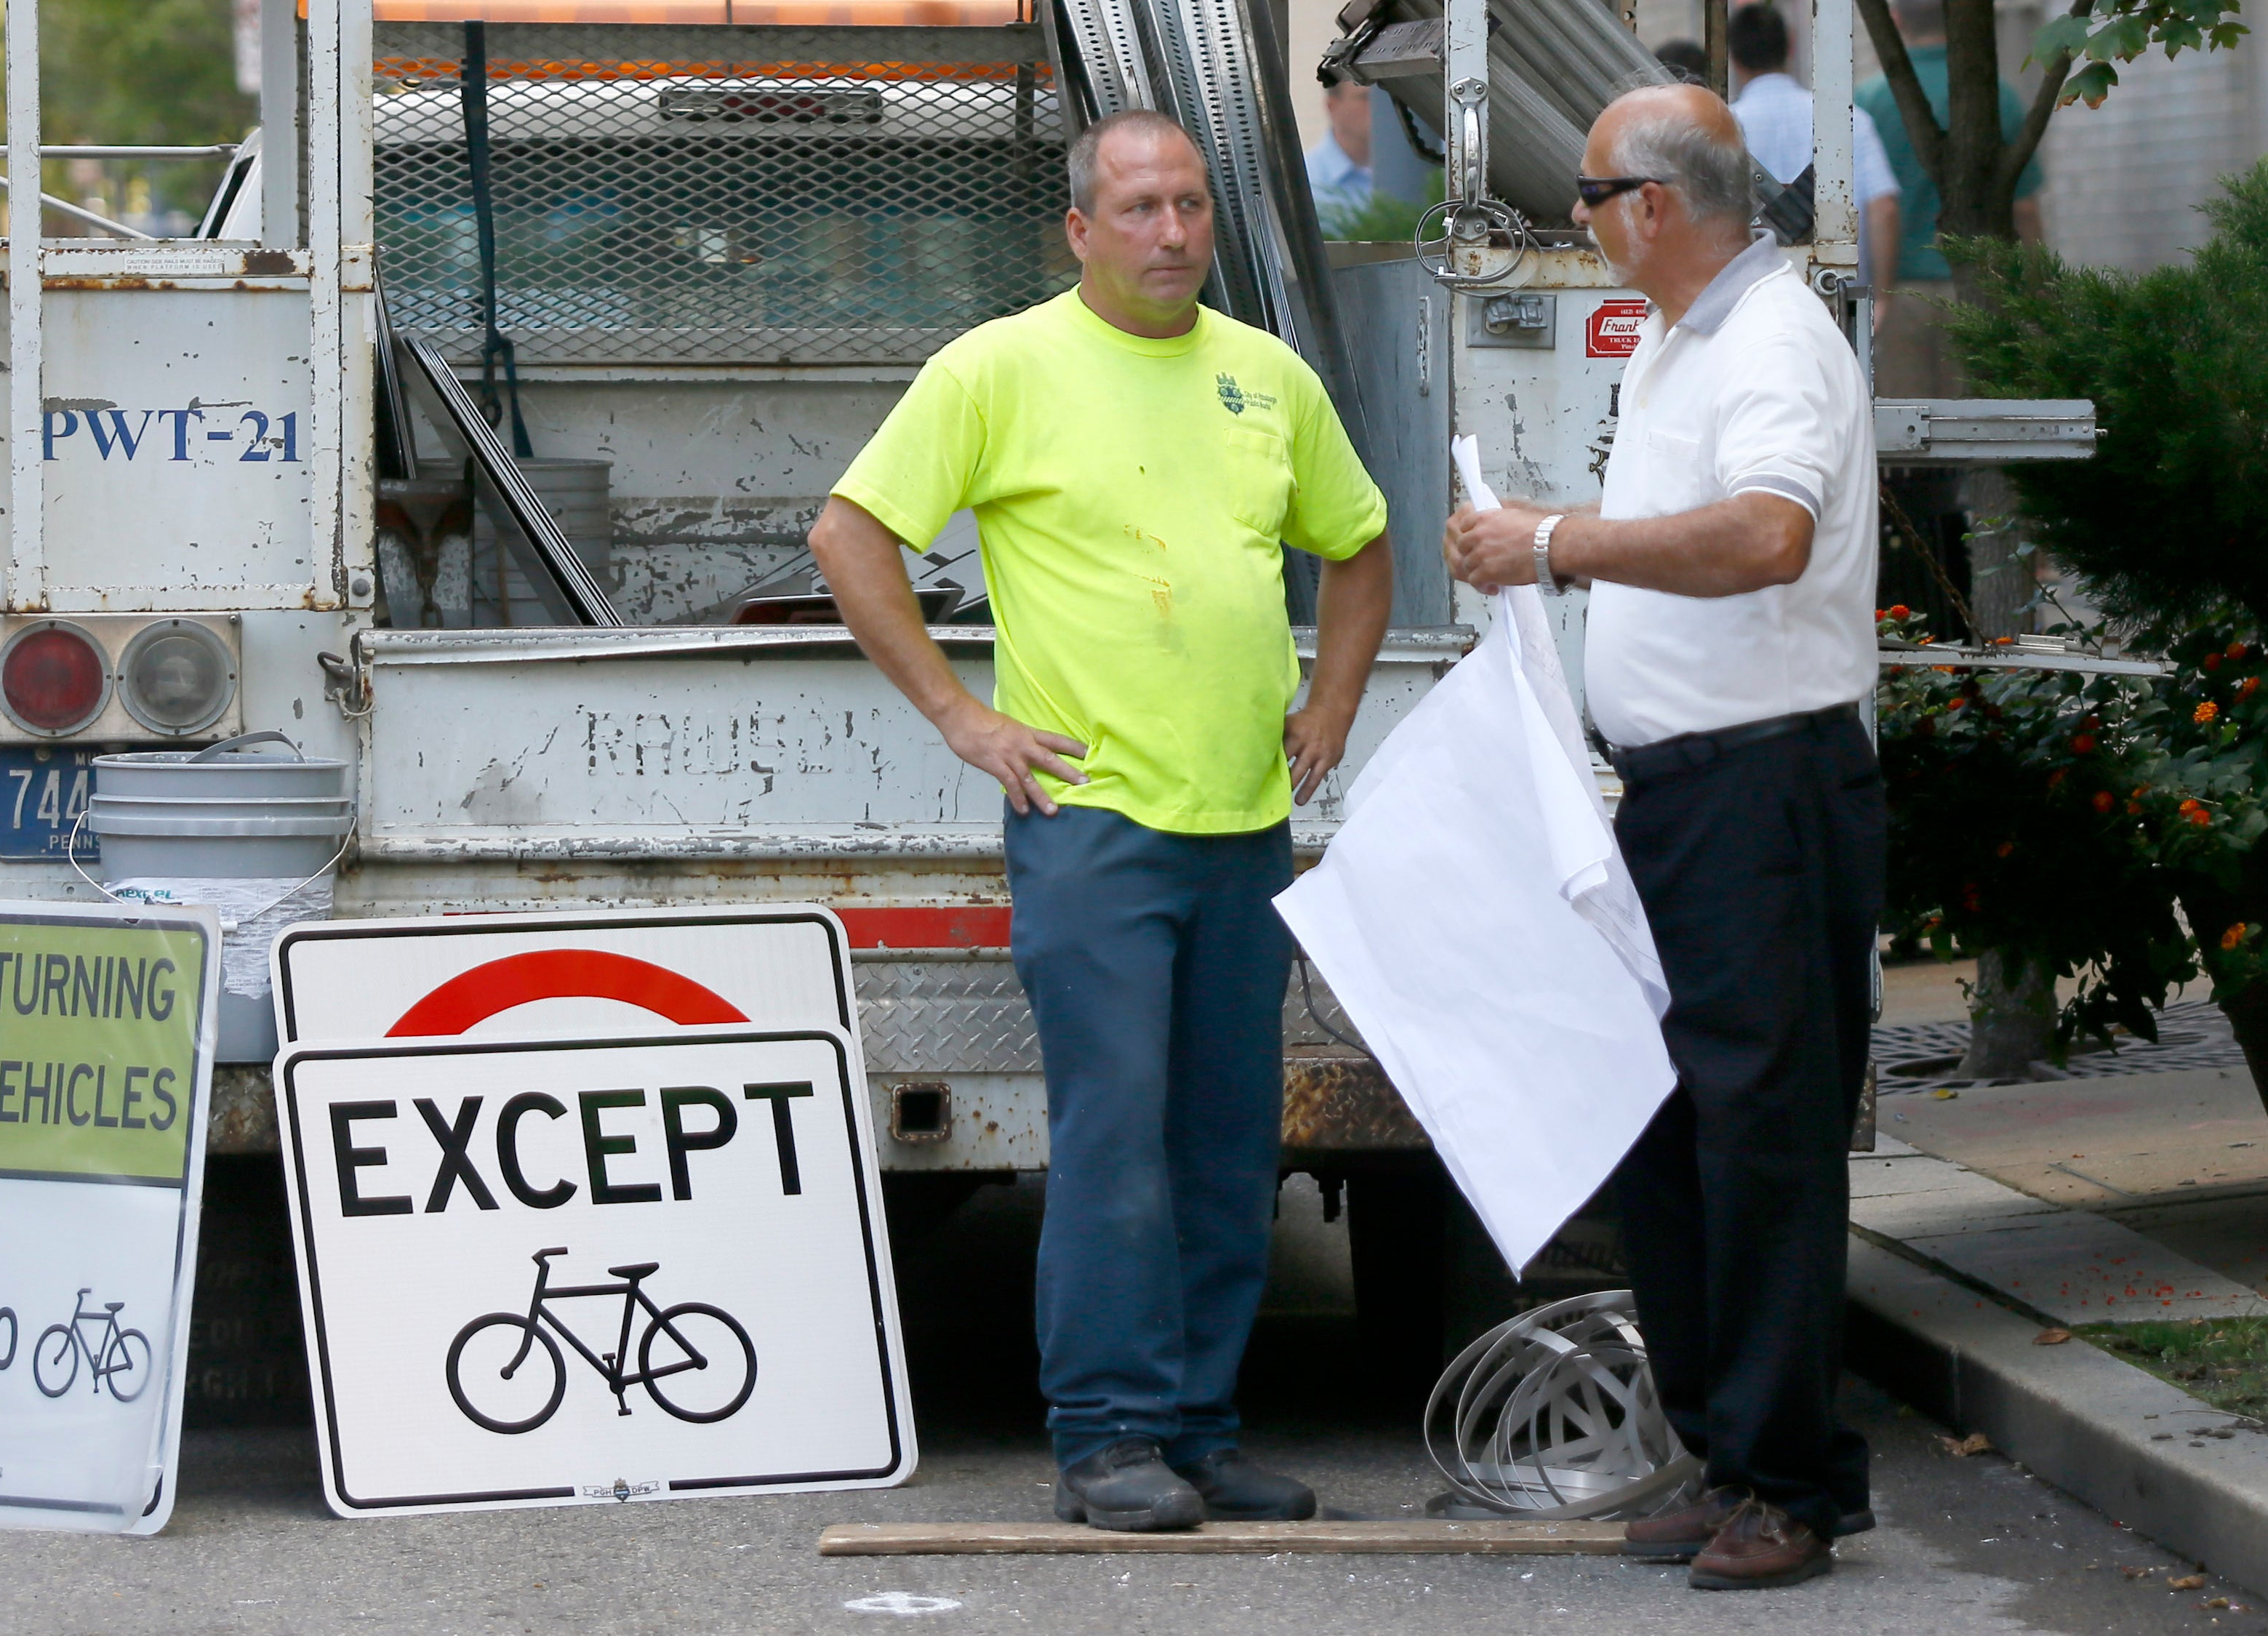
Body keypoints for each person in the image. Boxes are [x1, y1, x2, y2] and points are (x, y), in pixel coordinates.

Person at [809, 109, 1395, 1533]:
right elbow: (847, 533)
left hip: (1241, 822)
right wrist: (963, 718)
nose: (1169, 234)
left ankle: (1197, 1428)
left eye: (1187, 206)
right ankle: (1103, 1434)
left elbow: (1361, 547)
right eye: (1135, 209)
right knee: (1114, 1137)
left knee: (1221, 1142)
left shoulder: (1264, 379)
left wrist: (1329, 709)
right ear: (1078, 230)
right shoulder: (1000, 368)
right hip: (1090, 824)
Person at [1441, 83, 1880, 1591]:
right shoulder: (1695, 338)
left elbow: (1769, 536)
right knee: (1674, 1132)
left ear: (1656, 206)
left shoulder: (1770, 340)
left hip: (1764, 787)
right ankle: (1726, 1449)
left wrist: (1554, 544)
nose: (1573, 219)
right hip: (1690, 794)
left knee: (1761, 1141)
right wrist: (1559, 541)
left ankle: (1788, 1484)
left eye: (1585, 192)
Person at [1857, 0, 2045, 394]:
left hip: (1896, 295)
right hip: (1978, 293)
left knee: (1904, 438)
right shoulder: (1996, 97)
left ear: (1894, 20)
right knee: (1975, 431)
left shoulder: (1868, 103)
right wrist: (2036, 293)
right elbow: (2024, 207)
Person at [1726, 2, 1901, 303]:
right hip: (1836, 298)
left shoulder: (1723, 129)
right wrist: (1882, 299)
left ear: (1734, 58)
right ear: (1791, 46)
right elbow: (1884, 208)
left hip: (1749, 301)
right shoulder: (1849, 120)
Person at [1307, 80, 1378, 226]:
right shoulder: (1306, 184)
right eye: (1366, 98)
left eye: (1387, 98)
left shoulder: (1428, 168)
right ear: (1332, 107)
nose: (1381, 107)